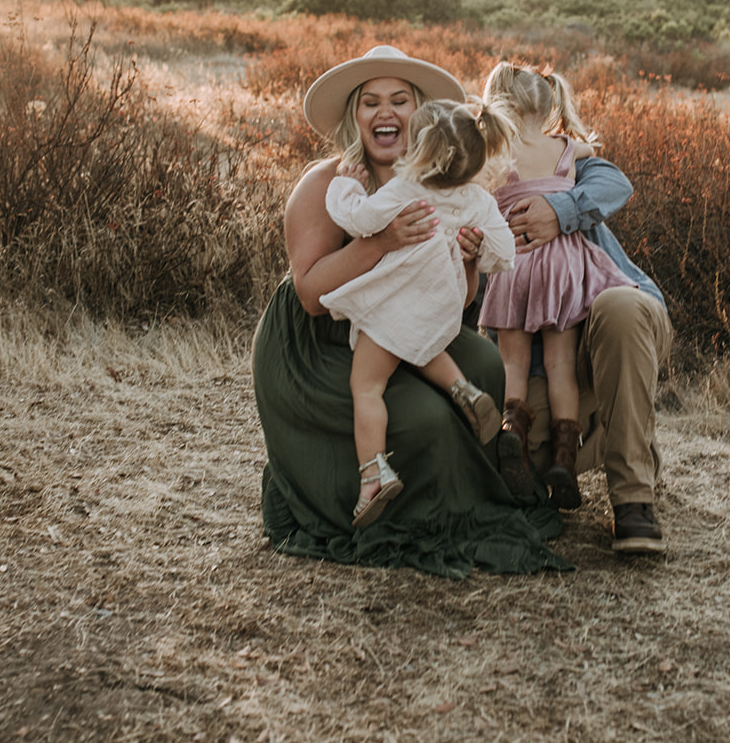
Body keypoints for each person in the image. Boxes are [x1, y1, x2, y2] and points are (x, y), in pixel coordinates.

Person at [251, 45, 570, 577]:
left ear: (420, 116)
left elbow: (459, 300)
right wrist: (382, 241)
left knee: (486, 368)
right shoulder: (329, 184)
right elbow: (310, 293)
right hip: (319, 338)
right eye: (370, 102)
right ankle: (381, 498)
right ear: (354, 116)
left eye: (399, 100)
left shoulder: (440, 182)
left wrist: (468, 261)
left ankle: (468, 498)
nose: (385, 113)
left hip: (400, 321)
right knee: (421, 420)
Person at [484, 62, 675, 555]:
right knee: (524, 445)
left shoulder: (572, 167)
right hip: (556, 356)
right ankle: (578, 448)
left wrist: (561, 212)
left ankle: (633, 500)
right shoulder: (556, 154)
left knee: (618, 308)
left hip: (613, 323)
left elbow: (616, 184)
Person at [322, 98, 516, 527]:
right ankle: (465, 390)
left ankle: (373, 474)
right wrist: (476, 246)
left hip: (396, 304)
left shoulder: (405, 190)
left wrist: (345, 184)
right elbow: (505, 255)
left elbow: (356, 219)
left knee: (367, 386)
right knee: (420, 341)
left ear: (419, 151)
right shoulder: (479, 200)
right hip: (442, 302)